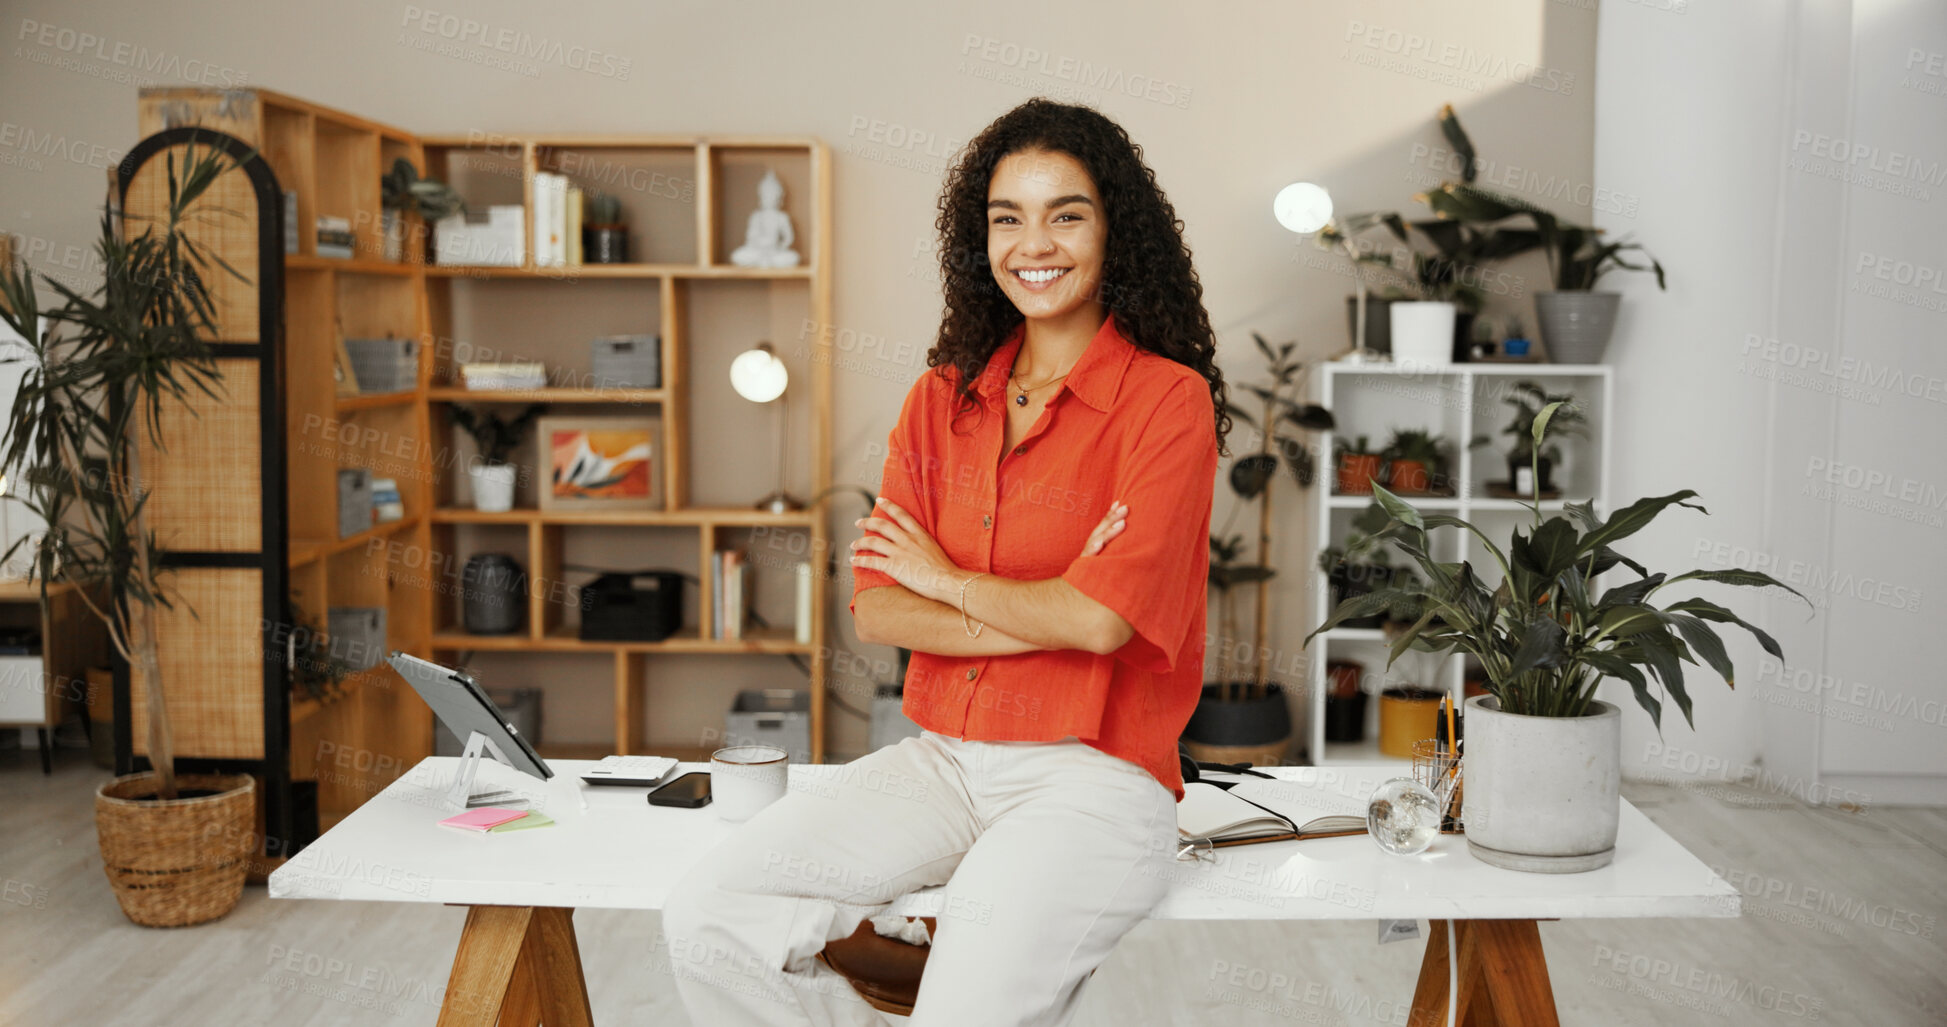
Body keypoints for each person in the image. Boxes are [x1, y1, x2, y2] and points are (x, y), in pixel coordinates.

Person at [660, 96, 1233, 1026]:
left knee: (962, 1003)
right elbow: (879, 608)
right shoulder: (941, 398)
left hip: (1095, 780)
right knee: (709, 913)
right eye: (1007, 217)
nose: (1032, 242)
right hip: (944, 765)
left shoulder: (1165, 403)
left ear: (1113, 232)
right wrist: (1039, 605)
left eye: (1066, 214)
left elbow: (1102, 621)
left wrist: (949, 581)